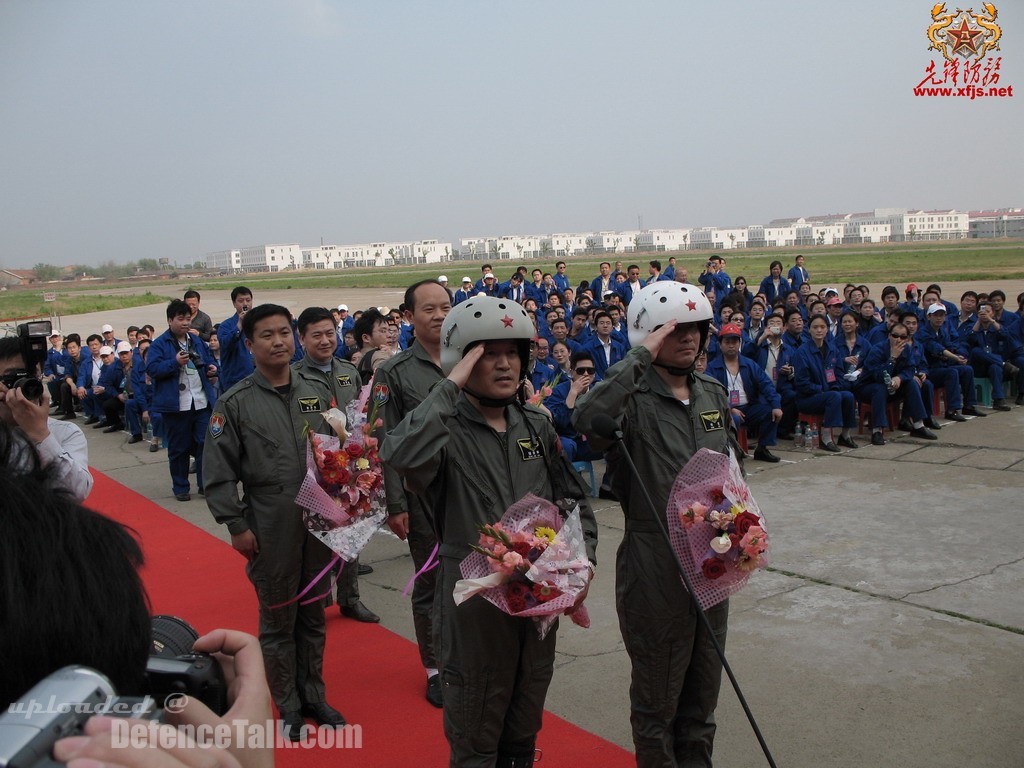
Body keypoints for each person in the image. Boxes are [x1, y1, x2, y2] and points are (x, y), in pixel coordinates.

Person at [380, 295, 598, 767]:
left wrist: (584, 564)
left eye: (513, 353)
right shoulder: (442, 431)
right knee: (476, 729)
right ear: (463, 359)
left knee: (524, 722)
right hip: (473, 602)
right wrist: (448, 388)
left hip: (537, 600)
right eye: (488, 353)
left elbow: (573, 502)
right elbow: (398, 455)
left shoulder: (535, 426)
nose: (504, 364)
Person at [572, 281, 734, 767]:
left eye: (696, 329)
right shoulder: (629, 397)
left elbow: (729, 470)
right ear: (648, 334)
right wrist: (638, 358)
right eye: (674, 329)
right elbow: (587, 419)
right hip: (654, 556)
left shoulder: (711, 393)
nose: (689, 338)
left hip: (713, 556)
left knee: (703, 692)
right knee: (657, 696)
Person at [204, 303, 347, 741]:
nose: (279, 341)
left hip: (318, 519)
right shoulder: (234, 403)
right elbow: (217, 472)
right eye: (266, 335)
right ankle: (285, 704)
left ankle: (314, 695)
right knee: (278, 615)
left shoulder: (317, 390)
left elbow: (338, 450)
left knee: (314, 612)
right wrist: (236, 524)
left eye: (284, 332)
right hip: (269, 520)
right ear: (249, 345)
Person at [372, 279, 452, 708]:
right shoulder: (394, 372)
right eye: (429, 309)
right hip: (423, 498)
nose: (439, 316)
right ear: (408, 317)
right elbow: (384, 443)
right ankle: (436, 667)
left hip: (474, 491)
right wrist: (395, 505)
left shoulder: (470, 357)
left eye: (446, 307)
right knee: (432, 583)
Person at [292, 306, 379, 625]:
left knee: (350, 534)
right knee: (315, 540)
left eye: (331, 333)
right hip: (313, 472)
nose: (325, 340)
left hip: (348, 469)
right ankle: (318, 599)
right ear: (302, 338)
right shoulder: (293, 377)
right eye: (316, 335)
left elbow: (359, 413)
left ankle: (350, 598)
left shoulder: (348, 370)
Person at [0, 337, 93, 501]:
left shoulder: (65, 433)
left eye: (15, 378)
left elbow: (77, 491)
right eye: (7, 379)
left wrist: (40, 435)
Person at [147, 299, 219, 501]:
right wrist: (174, 362)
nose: (185, 323)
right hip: (176, 405)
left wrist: (212, 369)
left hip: (201, 401)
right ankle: (180, 487)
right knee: (179, 448)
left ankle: (205, 484)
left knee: (205, 443)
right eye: (180, 319)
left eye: (188, 319)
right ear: (170, 320)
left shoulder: (196, 341)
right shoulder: (160, 344)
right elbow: (152, 369)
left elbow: (209, 361)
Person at [706, 323, 783, 462]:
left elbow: (766, 384)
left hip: (749, 407)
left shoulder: (749, 364)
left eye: (734, 342)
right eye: (727, 342)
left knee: (770, 411)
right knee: (733, 419)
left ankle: (762, 448)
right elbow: (711, 395)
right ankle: (732, 452)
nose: (731, 345)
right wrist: (729, 409)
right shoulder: (712, 367)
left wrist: (776, 405)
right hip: (725, 410)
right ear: (720, 344)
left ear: (740, 344)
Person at [792, 314, 859, 451]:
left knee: (848, 395)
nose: (819, 330)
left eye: (822, 327)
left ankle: (845, 435)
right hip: (808, 398)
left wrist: (834, 386)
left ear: (827, 329)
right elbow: (802, 383)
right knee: (834, 396)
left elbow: (839, 374)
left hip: (828, 392)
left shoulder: (833, 349)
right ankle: (826, 437)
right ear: (809, 330)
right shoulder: (802, 352)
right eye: (815, 327)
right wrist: (822, 389)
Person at [217, 286, 256, 392]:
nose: (245, 304)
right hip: (235, 381)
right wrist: (239, 326)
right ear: (234, 303)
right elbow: (225, 344)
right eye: (241, 301)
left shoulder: (257, 324)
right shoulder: (226, 326)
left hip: (256, 378)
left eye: (248, 300)